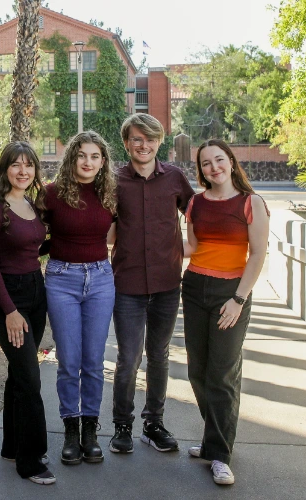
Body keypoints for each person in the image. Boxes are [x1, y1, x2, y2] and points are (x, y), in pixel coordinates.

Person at [182, 139, 269, 485]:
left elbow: (258, 254)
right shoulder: (195, 203)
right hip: (194, 289)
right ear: (200, 170)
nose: (213, 167)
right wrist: (149, 239)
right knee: (197, 371)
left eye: (219, 160)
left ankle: (219, 454)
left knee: (222, 373)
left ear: (230, 162)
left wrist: (238, 299)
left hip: (229, 293)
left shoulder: (252, 203)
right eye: (206, 163)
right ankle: (212, 441)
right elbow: (191, 247)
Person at [109, 113, 194, 454]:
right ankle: (122, 426)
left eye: (151, 139)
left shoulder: (174, 177)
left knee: (158, 355)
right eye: (137, 139)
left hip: (166, 284)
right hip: (126, 285)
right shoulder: (113, 180)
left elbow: (199, 214)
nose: (144, 145)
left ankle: (153, 423)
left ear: (160, 142)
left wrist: (190, 250)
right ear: (127, 142)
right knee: (128, 358)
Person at [0, 141, 55, 484]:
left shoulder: (35, 205)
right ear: (5, 168)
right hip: (8, 296)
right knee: (30, 377)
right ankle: (31, 460)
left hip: (36, 292)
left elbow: (35, 248)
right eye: (16, 165)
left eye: (29, 165)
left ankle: (11, 446)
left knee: (18, 374)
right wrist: (9, 310)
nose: (23, 171)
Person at [43, 131, 118, 465]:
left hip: (101, 279)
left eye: (95, 156)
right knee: (69, 361)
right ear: (72, 157)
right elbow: (31, 235)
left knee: (94, 361)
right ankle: (70, 430)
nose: (88, 162)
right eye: (82, 155)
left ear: (103, 162)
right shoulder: (50, 195)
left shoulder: (110, 195)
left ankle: (91, 429)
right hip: (62, 280)